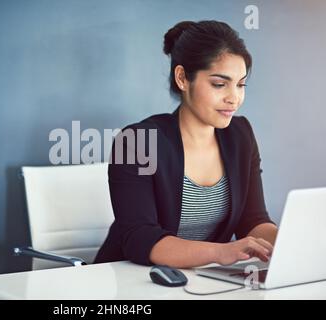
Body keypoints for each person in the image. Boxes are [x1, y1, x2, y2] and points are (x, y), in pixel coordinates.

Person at [94, 20, 278, 268]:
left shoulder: (241, 135)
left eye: (241, 84)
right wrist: (220, 252)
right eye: (219, 84)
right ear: (182, 78)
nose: (234, 97)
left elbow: (253, 219)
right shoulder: (137, 143)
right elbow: (140, 238)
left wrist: (289, 242)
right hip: (131, 281)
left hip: (198, 282)